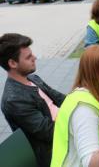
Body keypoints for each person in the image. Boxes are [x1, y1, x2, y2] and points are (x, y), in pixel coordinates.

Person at [0, 33, 65, 167]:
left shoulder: (33, 78)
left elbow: (60, 98)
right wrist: (76, 121)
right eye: (28, 57)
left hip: (63, 131)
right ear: (12, 63)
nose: (35, 58)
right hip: (53, 152)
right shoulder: (14, 100)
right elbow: (49, 132)